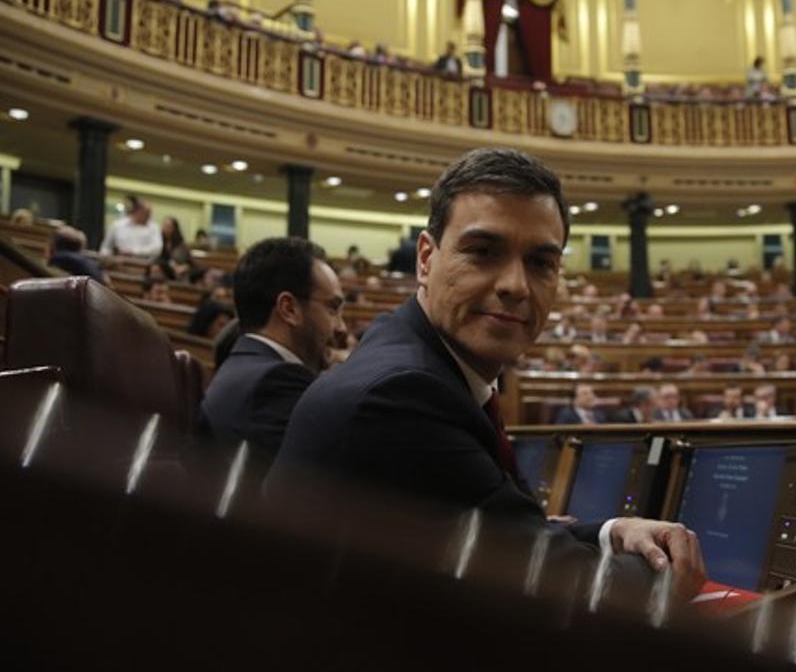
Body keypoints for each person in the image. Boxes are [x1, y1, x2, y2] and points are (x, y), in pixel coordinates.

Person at [269, 148, 705, 597]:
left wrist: (613, 531)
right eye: (483, 251)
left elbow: (512, 531)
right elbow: (556, 584)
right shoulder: (402, 394)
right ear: (425, 258)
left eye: (541, 263)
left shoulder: (414, 355)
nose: (515, 285)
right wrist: (666, 569)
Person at [200, 238, 345, 457]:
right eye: (332, 309)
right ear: (289, 309)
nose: (341, 328)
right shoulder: (276, 383)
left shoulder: (243, 365)